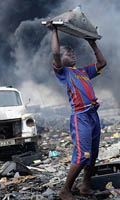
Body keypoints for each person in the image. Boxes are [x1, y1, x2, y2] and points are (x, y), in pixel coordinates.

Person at [46, 22, 107, 200]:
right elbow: (56, 53)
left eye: (73, 52)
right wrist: (54, 31)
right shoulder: (62, 72)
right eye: (68, 53)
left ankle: (85, 186)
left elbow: (102, 63)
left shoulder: (83, 71)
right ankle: (65, 189)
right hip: (81, 117)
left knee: (93, 153)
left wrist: (92, 42)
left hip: (93, 115)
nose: (72, 54)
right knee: (83, 154)